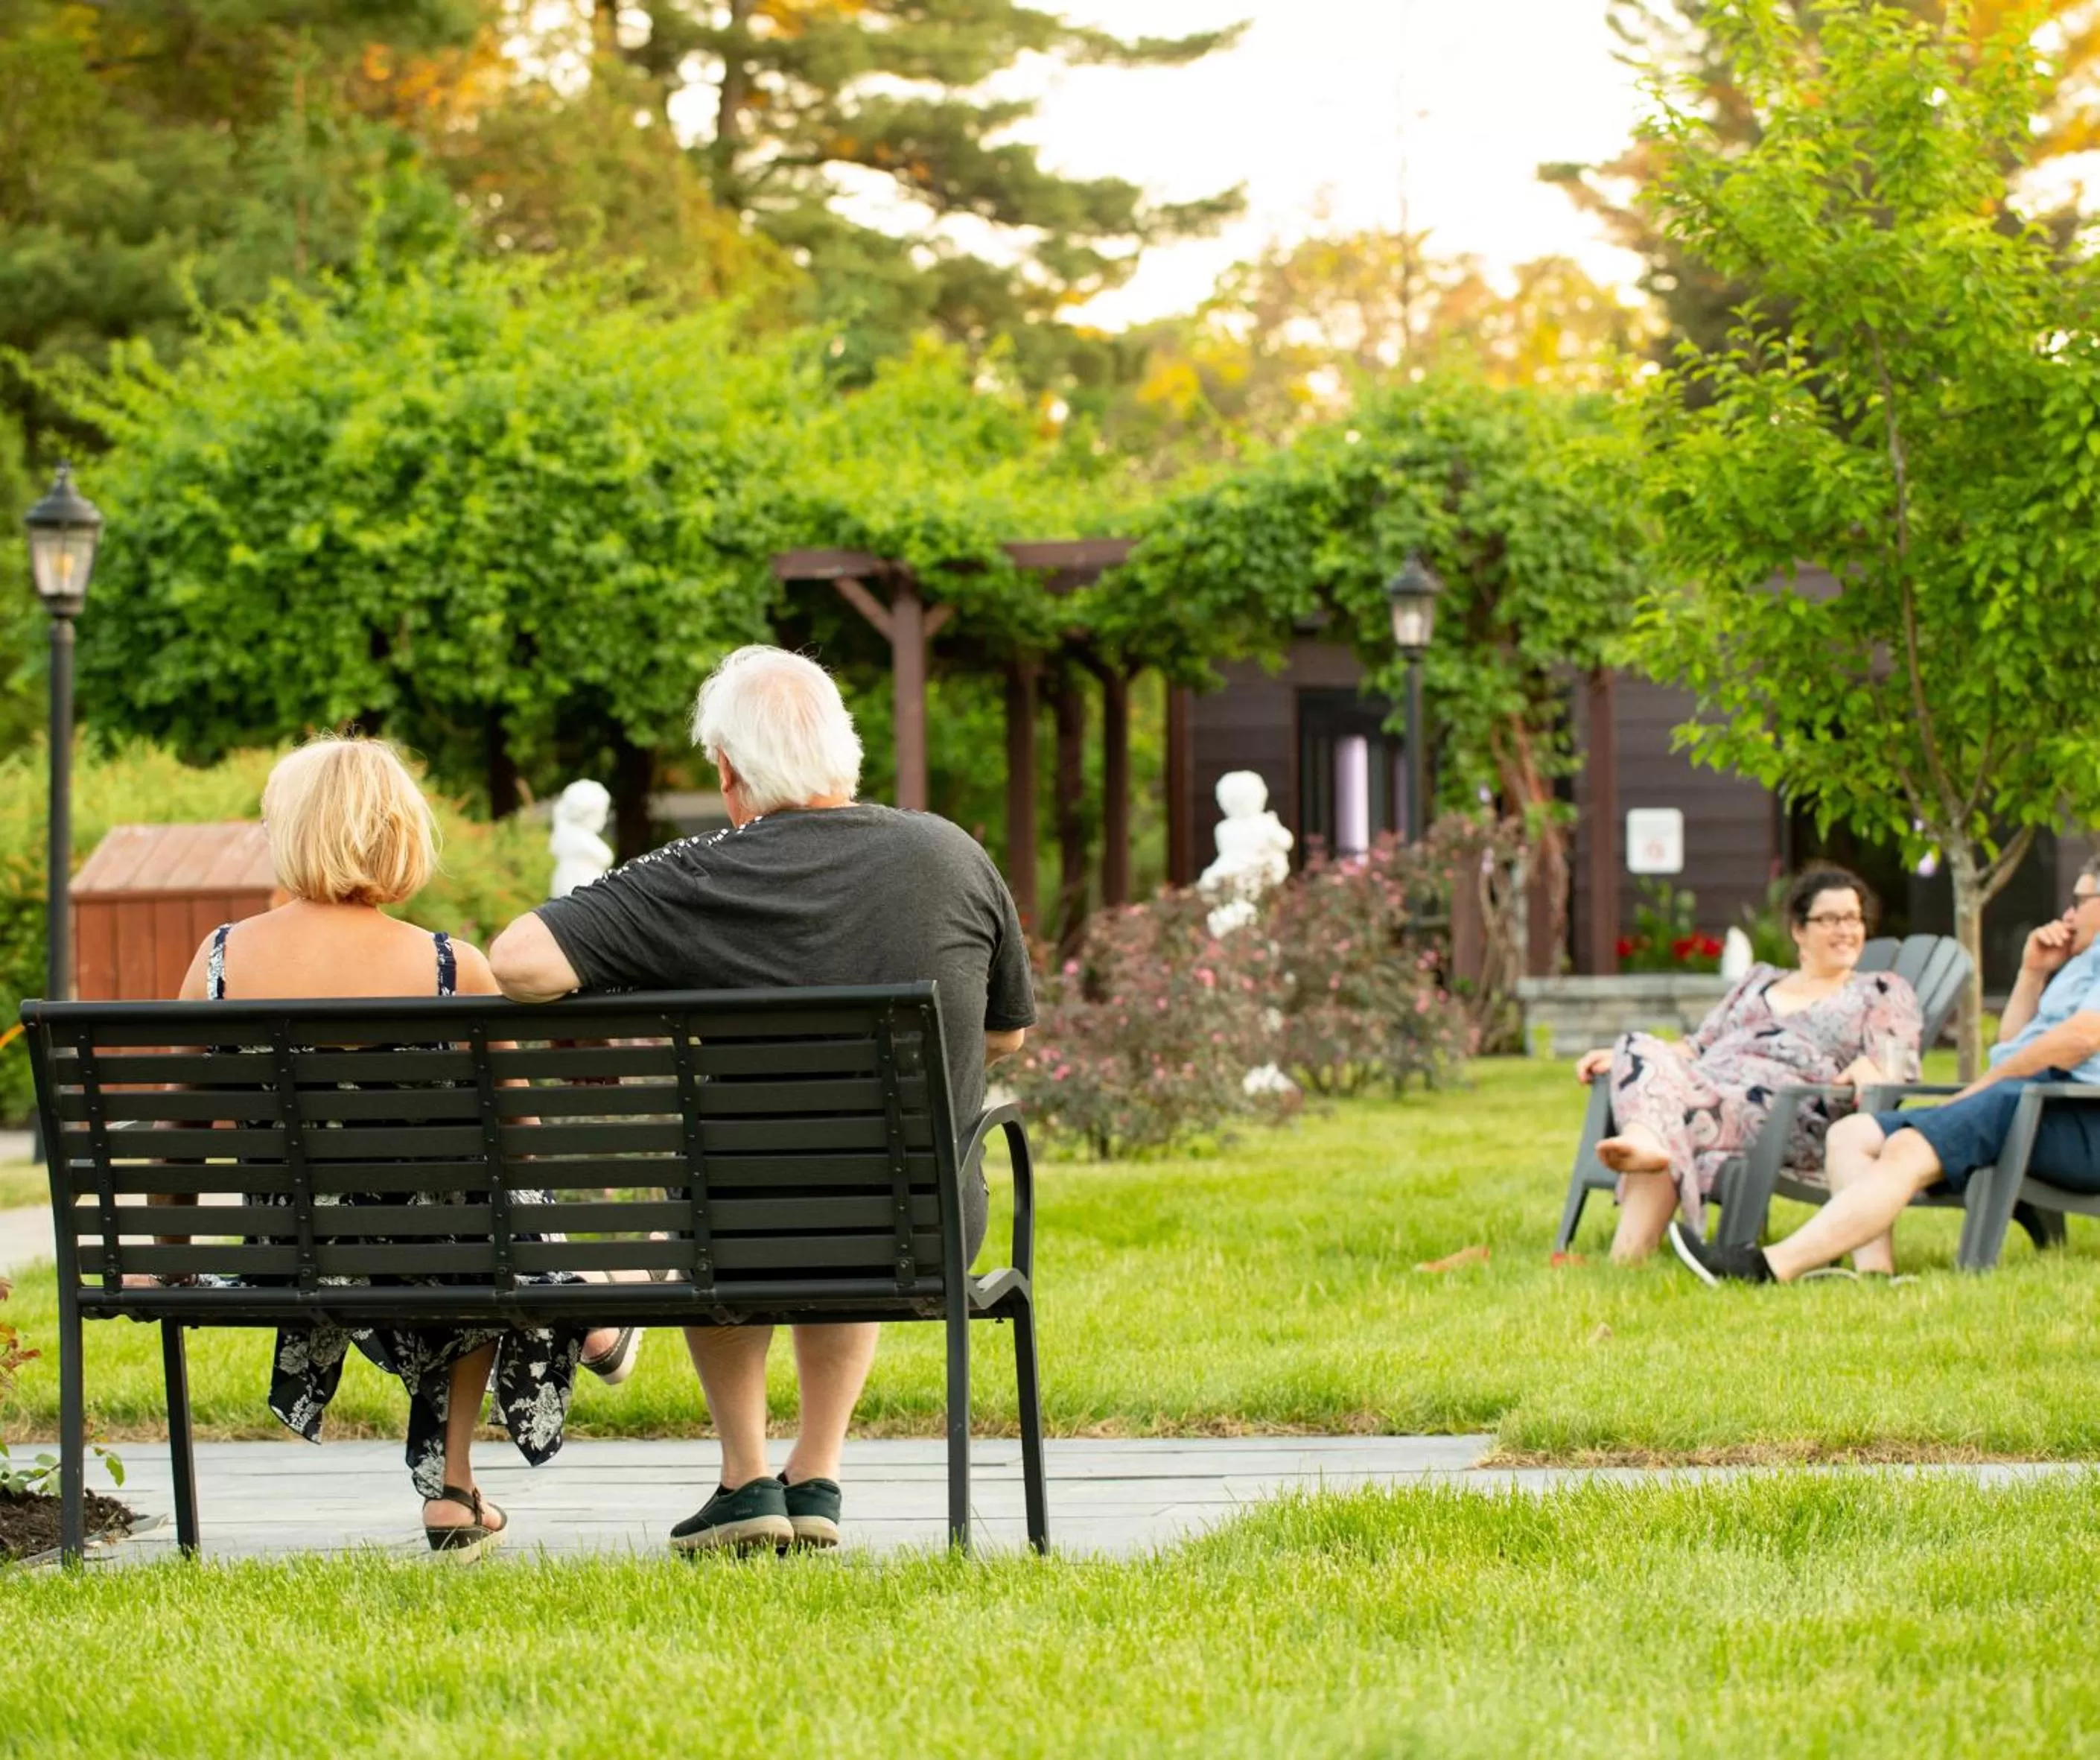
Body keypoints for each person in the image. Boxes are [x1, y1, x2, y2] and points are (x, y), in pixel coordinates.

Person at [488, 645, 1036, 1554]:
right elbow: (1006, 1033)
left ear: (730, 772)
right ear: (842, 751)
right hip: (924, 1224)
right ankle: (816, 1472)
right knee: (871, 1163)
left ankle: (746, 1480)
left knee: (729, 1185)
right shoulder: (951, 853)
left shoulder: (693, 877)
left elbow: (517, 961)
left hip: (736, 1225)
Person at [174, 735, 634, 1558]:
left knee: (462, 1212)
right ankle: (570, 1319)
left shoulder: (218, 960)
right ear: (398, 833)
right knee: (485, 1203)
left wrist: (165, 1255)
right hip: (443, 1256)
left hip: (291, 1253)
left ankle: (460, 1484)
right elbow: (519, 1143)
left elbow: (182, 1139)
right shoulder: (451, 966)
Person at [1672, 860, 2100, 1286]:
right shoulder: (2079, 963)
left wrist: (1982, 1090)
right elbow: (2014, 1042)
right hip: (2029, 1101)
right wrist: (2033, 973)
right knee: (1851, 1134)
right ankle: (1875, 1277)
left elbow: (2082, 1037)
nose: (2068, 912)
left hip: (2076, 1117)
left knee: (1908, 1148)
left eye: (2081, 901)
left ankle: (1765, 1267)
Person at [1575, 867, 1921, 1262]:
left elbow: (1899, 1058)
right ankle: (1644, 1153)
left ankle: (1630, 1247)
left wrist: (1871, 1067)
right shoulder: (1758, 980)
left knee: (1674, 1114)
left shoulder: (1878, 990)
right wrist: (1627, 1058)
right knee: (1635, 1043)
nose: (1845, 929)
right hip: (1709, 1085)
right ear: (1798, 930)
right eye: (1830, 919)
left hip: (1785, 1110)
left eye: (1853, 918)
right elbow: (1698, 1046)